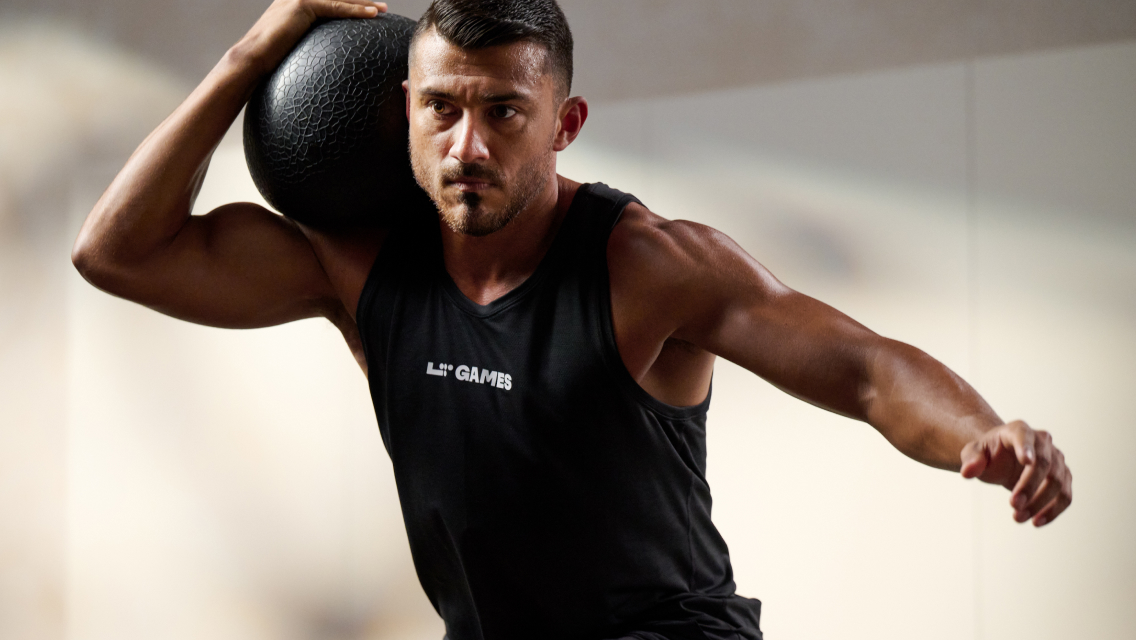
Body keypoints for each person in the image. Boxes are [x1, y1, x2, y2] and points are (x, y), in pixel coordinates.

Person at [71, 0, 1073, 638]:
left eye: (504, 112)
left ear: (564, 122)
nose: (467, 145)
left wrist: (980, 432)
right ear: (405, 109)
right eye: (442, 109)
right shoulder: (360, 264)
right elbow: (117, 252)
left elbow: (859, 366)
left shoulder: (647, 266)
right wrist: (255, 48)